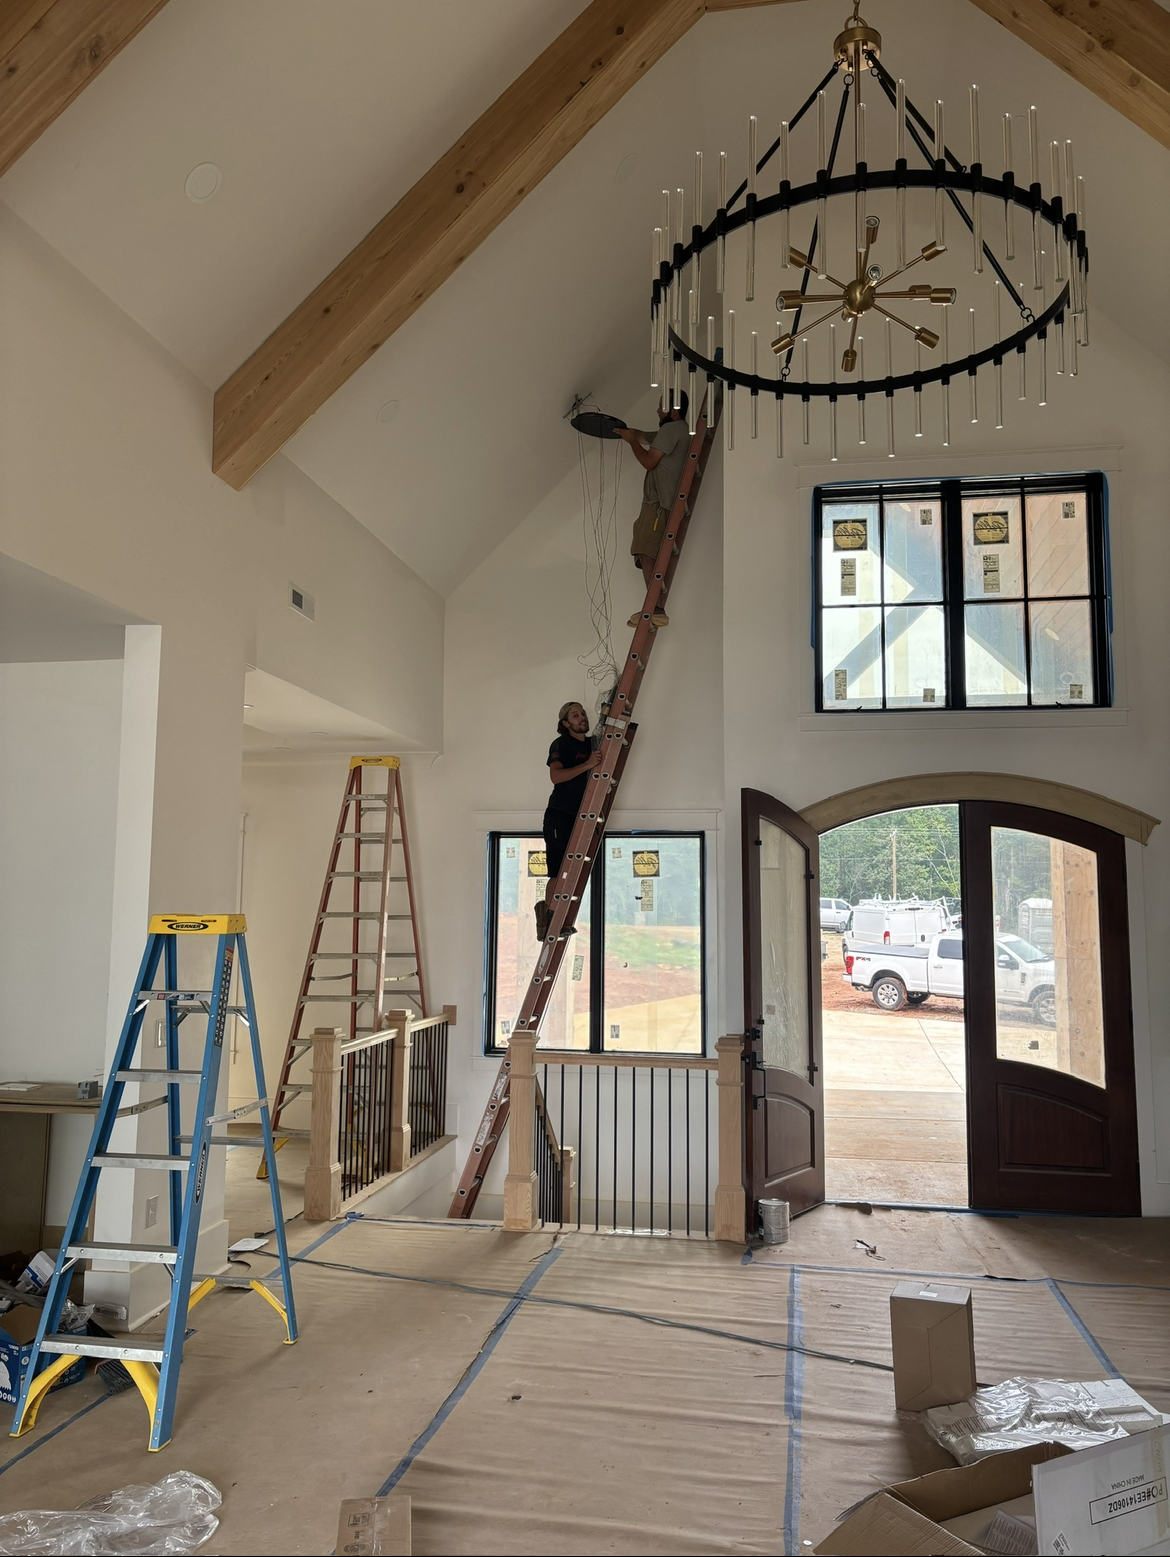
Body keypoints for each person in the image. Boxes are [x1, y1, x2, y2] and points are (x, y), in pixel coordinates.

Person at [615, 392, 690, 628]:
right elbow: (646, 437)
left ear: (675, 411)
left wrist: (632, 442)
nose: (657, 412)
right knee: (644, 550)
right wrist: (625, 432)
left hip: (658, 505)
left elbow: (649, 461)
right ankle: (655, 607)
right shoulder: (677, 430)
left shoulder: (672, 429)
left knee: (645, 551)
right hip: (659, 504)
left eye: (662, 408)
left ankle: (655, 609)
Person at [536, 701, 599, 941]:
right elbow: (556, 776)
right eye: (575, 715)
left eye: (582, 714)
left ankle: (555, 918)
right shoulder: (561, 744)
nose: (581, 717)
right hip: (559, 815)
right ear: (565, 723)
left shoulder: (594, 743)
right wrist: (588, 764)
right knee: (558, 870)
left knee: (572, 868)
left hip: (581, 816)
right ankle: (548, 923)